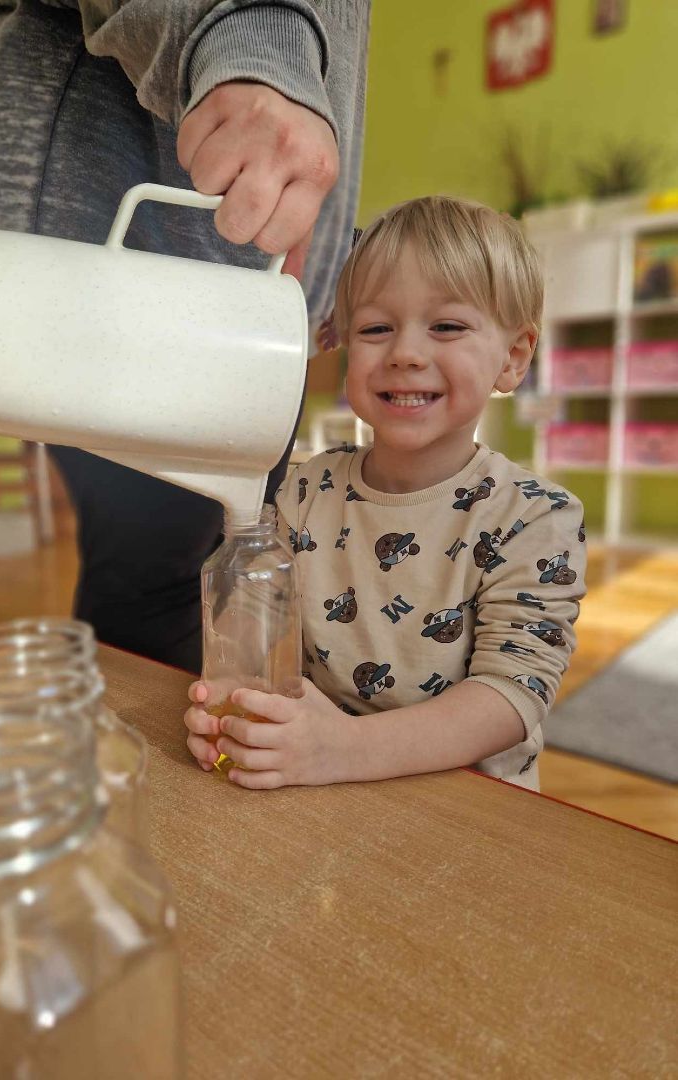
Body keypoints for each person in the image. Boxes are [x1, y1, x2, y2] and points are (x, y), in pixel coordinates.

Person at [0, 0, 371, 670]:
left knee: (232, 550)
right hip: (123, 218)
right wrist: (257, 39)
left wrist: (330, 259)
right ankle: (144, 740)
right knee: (158, 579)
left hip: (257, 289)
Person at [184, 194, 587, 792]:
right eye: (376, 329)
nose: (405, 354)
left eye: (446, 326)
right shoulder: (304, 489)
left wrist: (342, 749)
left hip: (465, 809)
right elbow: (254, 630)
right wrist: (236, 707)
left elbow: (513, 693)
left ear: (513, 357)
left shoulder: (536, 518)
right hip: (319, 783)